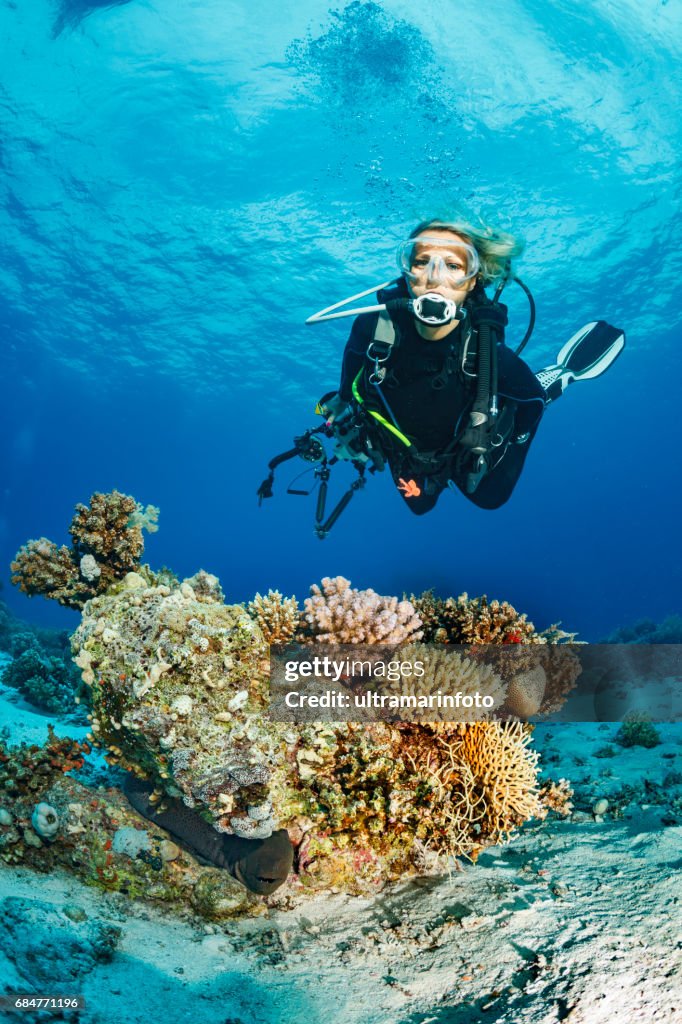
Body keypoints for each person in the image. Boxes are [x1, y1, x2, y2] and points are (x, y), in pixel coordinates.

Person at [314, 218, 625, 514]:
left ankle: (555, 379)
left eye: (453, 266)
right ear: (407, 271)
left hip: (469, 446)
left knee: (489, 498)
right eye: (423, 261)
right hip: (408, 448)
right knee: (419, 507)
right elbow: (353, 367)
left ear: (473, 280)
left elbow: (532, 403)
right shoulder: (371, 327)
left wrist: (504, 439)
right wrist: (342, 400)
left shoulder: (488, 354)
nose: (435, 277)